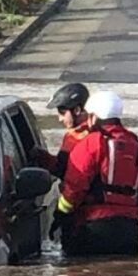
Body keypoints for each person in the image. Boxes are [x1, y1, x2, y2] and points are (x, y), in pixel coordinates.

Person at [53, 91, 138, 257]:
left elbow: (74, 187)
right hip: (129, 230)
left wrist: (60, 214)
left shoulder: (91, 143)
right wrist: (126, 204)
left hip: (92, 227)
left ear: (94, 117)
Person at [30, 83, 92, 240]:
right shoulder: (99, 133)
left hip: (80, 213)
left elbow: (62, 170)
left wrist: (60, 216)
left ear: (77, 110)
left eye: (62, 113)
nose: (59, 118)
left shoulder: (75, 137)